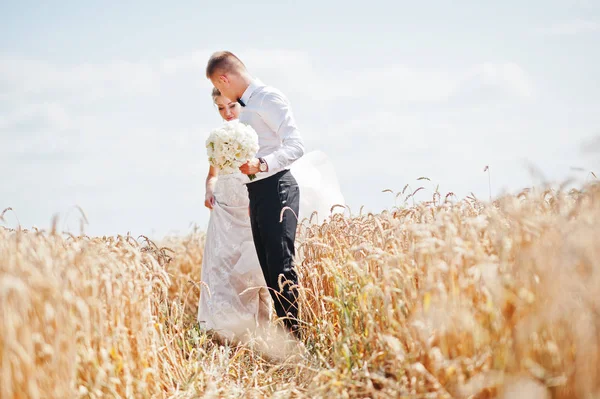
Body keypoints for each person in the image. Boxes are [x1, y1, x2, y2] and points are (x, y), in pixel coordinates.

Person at [206, 51, 306, 337]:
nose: (222, 94)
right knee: (268, 269)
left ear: (224, 79)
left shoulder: (268, 98)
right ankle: (289, 337)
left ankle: (296, 338)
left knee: (281, 265)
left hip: (279, 187)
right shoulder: (247, 106)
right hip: (257, 193)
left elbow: (296, 144)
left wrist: (261, 164)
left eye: (220, 86)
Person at [197, 88, 272, 340]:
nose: (227, 113)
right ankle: (227, 332)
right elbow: (212, 176)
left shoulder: (254, 134)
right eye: (220, 108)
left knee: (253, 269)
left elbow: (261, 170)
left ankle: (263, 333)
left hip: (249, 205)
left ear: (241, 104)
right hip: (224, 208)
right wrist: (209, 191)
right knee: (222, 267)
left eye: (231, 106)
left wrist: (258, 196)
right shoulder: (218, 138)